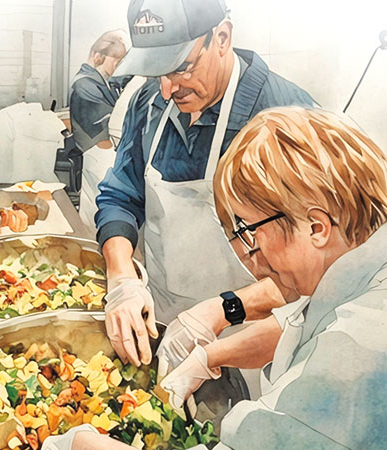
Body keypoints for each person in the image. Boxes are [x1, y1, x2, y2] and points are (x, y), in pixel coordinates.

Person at [44, 107, 387, 449]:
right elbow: (301, 322)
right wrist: (209, 355)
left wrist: (82, 444)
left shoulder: (357, 347)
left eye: (249, 233)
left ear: (316, 227)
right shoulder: (364, 271)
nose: (248, 262)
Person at [95, 0, 316, 367]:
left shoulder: (286, 117)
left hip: (253, 336)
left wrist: (222, 310)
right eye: (156, 73)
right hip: (162, 316)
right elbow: (122, 193)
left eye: (181, 68)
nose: (167, 90)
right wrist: (122, 279)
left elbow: (321, 265)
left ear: (222, 37)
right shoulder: (149, 102)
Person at [70, 30, 130, 235]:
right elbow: (105, 134)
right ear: (98, 57)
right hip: (98, 161)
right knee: (98, 224)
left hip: (104, 165)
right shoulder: (85, 84)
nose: (119, 67)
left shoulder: (104, 82)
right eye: (117, 60)